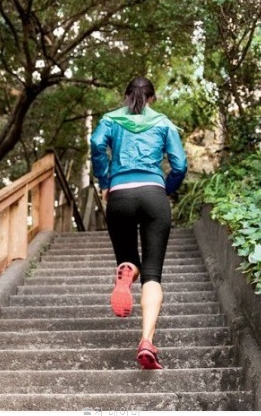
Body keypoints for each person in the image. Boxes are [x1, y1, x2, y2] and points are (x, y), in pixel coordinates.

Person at [90, 76, 188, 370]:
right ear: (152, 99)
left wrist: (106, 180)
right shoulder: (163, 123)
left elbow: (96, 144)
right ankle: (146, 340)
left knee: (129, 258)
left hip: (120, 196)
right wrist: (165, 187)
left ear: (125, 96)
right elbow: (180, 164)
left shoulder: (110, 120)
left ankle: (127, 269)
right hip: (153, 195)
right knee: (153, 274)